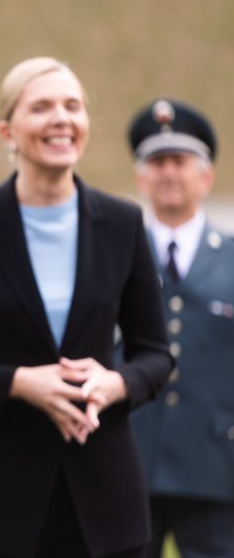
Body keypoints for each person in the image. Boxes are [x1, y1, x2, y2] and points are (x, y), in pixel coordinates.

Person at [0, 57, 174, 558]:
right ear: (8, 130)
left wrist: (115, 383)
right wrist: (17, 383)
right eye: (42, 107)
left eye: (72, 106)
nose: (61, 118)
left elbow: (155, 354)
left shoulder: (123, 223)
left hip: (105, 506)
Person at [126, 99, 234, 558]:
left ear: (205, 176)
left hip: (215, 468)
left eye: (179, 161)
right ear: (141, 177)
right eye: (156, 162)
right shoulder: (113, 257)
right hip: (128, 463)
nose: (168, 172)